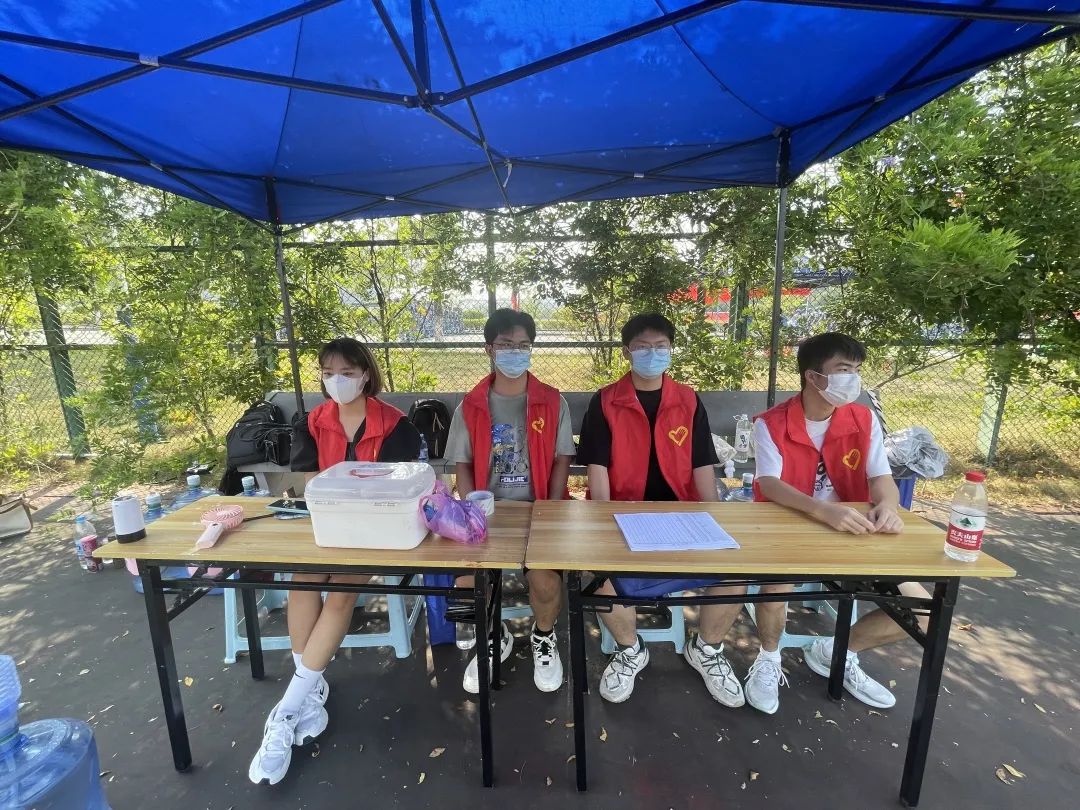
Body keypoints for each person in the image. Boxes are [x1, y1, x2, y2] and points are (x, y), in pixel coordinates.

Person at [248, 337, 421, 785]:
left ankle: (287, 710)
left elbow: (398, 489)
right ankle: (308, 687)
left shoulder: (395, 424)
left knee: (341, 593)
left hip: (376, 528)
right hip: (327, 524)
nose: (336, 381)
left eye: (346, 372)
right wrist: (328, 511)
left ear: (366, 375)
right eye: (328, 373)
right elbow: (311, 485)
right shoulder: (313, 422)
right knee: (302, 580)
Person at [577, 313, 751, 707]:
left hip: (682, 515)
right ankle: (630, 650)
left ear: (671, 349)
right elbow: (597, 469)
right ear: (627, 351)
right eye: (643, 346)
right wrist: (604, 522)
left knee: (736, 568)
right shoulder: (605, 401)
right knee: (593, 575)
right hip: (624, 515)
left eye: (661, 346)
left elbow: (701, 465)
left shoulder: (687, 399)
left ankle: (706, 649)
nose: (652, 353)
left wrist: (716, 519)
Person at [750, 331, 924, 712]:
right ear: (813, 376)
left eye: (856, 370)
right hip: (791, 529)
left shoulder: (862, 419)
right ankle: (768, 658)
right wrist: (822, 510)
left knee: (925, 612)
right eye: (844, 369)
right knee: (774, 589)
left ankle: (838, 652)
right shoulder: (771, 424)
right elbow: (769, 484)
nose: (853, 379)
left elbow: (881, 478)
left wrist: (889, 507)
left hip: (852, 531)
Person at [444, 308, 575, 694]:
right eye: (506, 345)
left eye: (523, 345)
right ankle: (493, 635)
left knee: (545, 581)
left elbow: (562, 459)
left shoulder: (552, 402)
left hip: (539, 509)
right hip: (489, 511)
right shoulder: (470, 406)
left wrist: (550, 510)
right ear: (489, 349)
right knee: (468, 583)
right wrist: (472, 511)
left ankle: (544, 635)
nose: (515, 352)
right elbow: (463, 465)